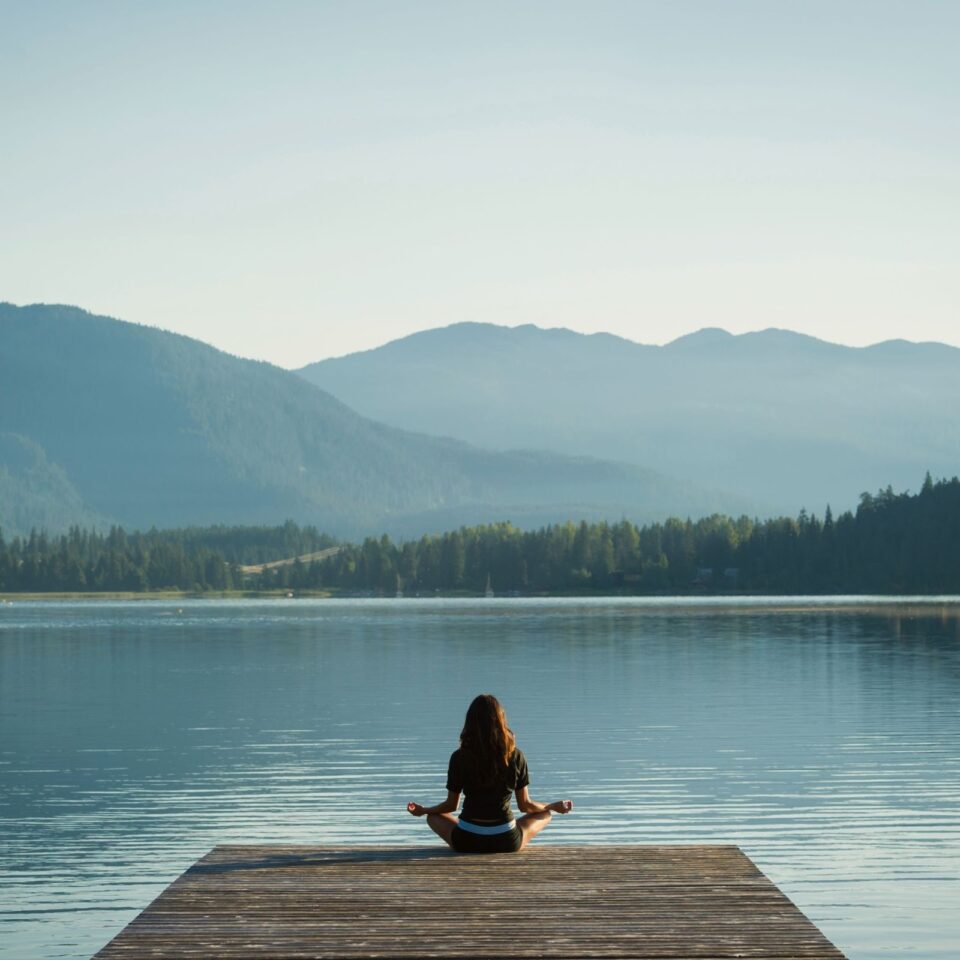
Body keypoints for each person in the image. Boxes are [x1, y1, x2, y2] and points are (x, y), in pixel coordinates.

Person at [406, 693, 573, 853]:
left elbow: (451, 805)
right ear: (501, 721)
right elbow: (525, 806)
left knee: (433, 817)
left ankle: (461, 828)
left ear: (470, 723)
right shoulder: (515, 755)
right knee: (545, 814)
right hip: (506, 840)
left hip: (467, 840)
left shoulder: (459, 757)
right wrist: (552, 806)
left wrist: (425, 810)